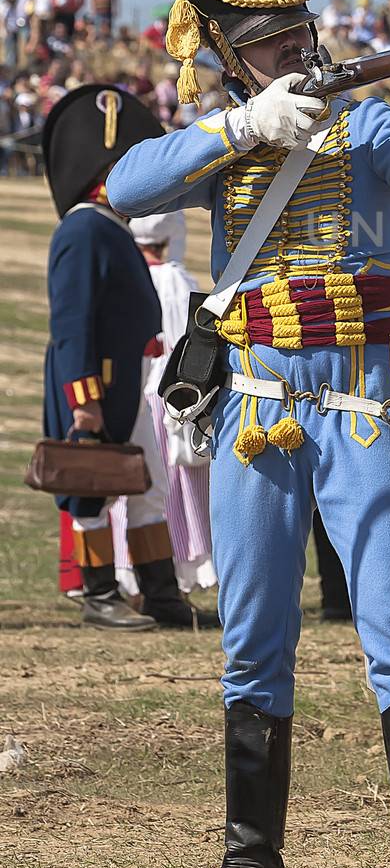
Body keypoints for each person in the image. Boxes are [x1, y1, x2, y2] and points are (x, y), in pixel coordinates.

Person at [106, 0, 390, 868]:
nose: (288, 43)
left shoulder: (363, 122)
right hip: (257, 414)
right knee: (253, 637)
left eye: (293, 25)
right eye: (264, 35)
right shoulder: (229, 135)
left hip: (358, 405)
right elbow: (124, 179)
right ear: (226, 51)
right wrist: (238, 128)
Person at [42, 85, 206, 631]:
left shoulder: (109, 226)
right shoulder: (84, 228)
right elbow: (71, 326)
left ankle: (161, 594)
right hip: (94, 387)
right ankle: (99, 593)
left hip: (128, 380)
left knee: (149, 484)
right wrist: (82, 405)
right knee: (91, 488)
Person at [128, 211, 217, 591]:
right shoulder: (176, 279)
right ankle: (186, 566)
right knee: (180, 486)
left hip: (140, 391)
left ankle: (136, 573)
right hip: (169, 394)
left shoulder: (133, 277)